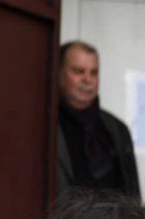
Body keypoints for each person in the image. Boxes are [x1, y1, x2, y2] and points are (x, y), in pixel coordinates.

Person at [56, 41, 140, 197]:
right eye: (78, 71)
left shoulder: (117, 130)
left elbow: (132, 194)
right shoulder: (45, 126)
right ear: (59, 73)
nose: (87, 79)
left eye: (94, 72)